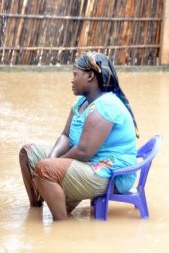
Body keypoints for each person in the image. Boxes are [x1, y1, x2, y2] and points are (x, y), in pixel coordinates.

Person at [19, 52, 139, 221]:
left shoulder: (105, 106)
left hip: (111, 172)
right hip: (89, 164)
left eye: (75, 74)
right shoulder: (82, 102)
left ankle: (61, 225)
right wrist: (53, 157)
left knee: (44, 169)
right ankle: (36, 208)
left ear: (90, 76)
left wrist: (53, 165)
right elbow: (66, 135)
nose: (72, 80)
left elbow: (84, 151)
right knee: (27, 153)